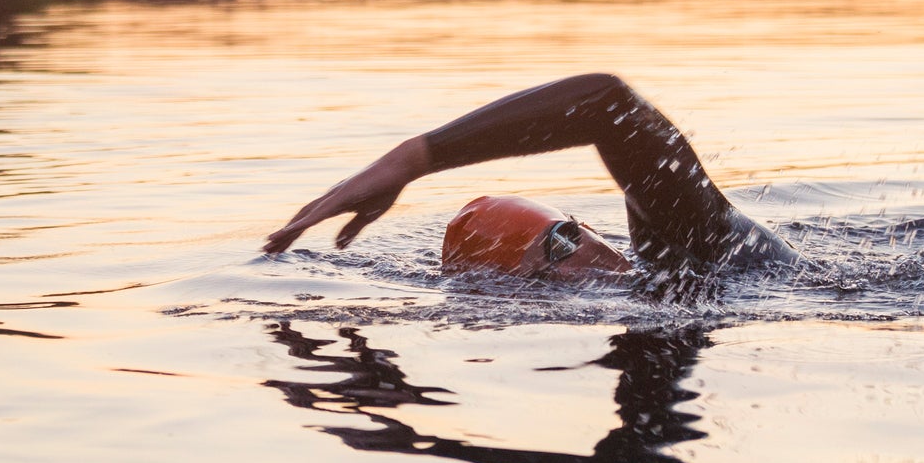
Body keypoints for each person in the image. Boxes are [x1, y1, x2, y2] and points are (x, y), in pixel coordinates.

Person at [263, 72, 796, 282]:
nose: (580, 252)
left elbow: (608, 104)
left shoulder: (703, 252)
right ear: (525, 281)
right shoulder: (657, 298)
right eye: (555, 252)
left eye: (569, 234)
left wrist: (413, 160)